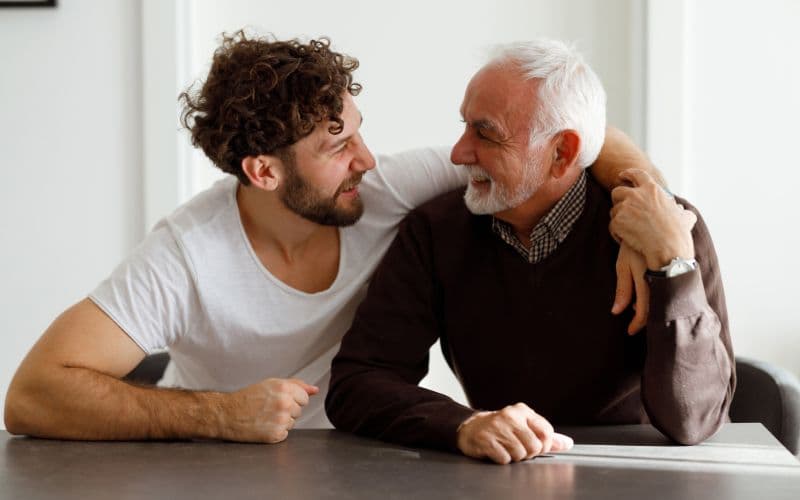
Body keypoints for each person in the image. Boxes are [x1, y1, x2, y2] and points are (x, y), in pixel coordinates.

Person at [5, 33, 666, 444]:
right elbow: (32, 393)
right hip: (218, 473)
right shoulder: (185, 255)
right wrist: (217, 416)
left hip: (367, 455)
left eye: (358, 130)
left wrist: (644, 210)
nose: (368, 159)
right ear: (264, 171)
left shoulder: (382, 190)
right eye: (337, 144)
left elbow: (575, 139)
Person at [326, 39, 735, 464]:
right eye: (464, 126)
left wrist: (673, 267)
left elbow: (694, 421)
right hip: (500, 476)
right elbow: (359, 381)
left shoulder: (669, 230)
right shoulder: (435, 232)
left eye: (485, 133)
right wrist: (462, 424)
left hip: (636, 475)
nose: (458, 153)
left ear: (562, 152)